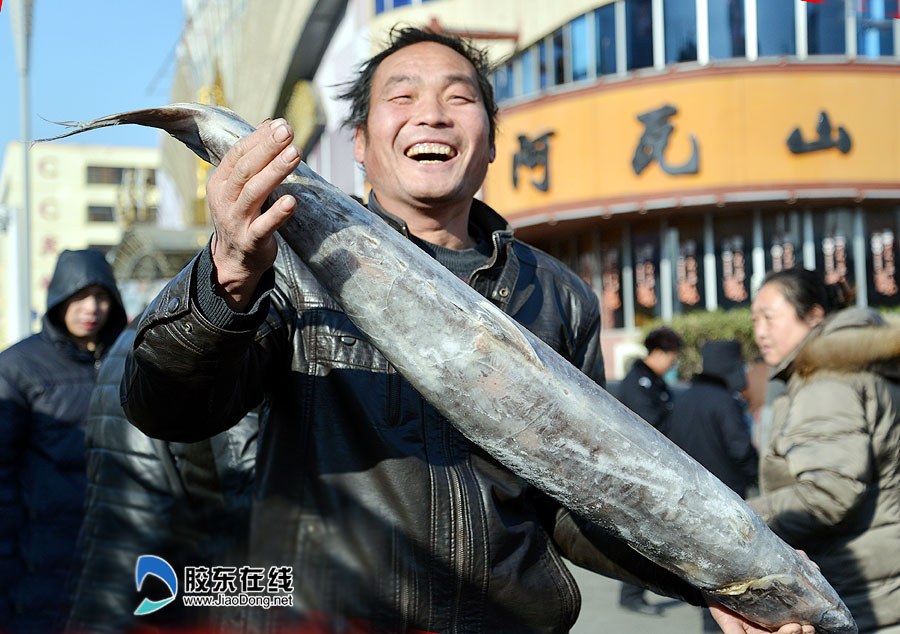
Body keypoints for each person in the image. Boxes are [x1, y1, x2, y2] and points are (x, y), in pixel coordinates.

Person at [121, 27, 812, 634]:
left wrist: (713, 582)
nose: (433, 114)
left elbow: (584, 496)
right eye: (404, 95)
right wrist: (227, 278)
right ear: (359, 144)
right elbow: (165, 405)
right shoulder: (288, 262)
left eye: (459, 97)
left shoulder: (558, 297)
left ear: (488, 144)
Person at [65, 323, 259, 634]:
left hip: (115, 557)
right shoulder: (221, 343)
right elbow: (245, 489)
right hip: (174, 566)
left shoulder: (129, 336)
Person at [749, 268, 900, 634]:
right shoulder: (861, 365)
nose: (760, 331)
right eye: (754, 320)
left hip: (863, 593)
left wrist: (743, 518)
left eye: (769, 317)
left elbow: (830, 494)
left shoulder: (826, 378)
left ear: (814, 315)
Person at [0, 249, 127, 634]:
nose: (91, 307)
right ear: (58, 297)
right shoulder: (18, 367)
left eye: (102, 296)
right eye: (79, 295)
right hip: (41, 554)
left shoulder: (130, 359)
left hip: (118, 547)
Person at [662, 339, 759, 632]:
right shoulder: (724, 401)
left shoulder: (685, 398)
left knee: (708, 580)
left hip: (691, 503)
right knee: (732, 582)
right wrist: (757, 475)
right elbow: (740, 449)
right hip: (727, 504)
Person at [614, 325, 683, 616]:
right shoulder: (637, 382)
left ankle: (635, 591)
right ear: (658, 353)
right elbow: (649, 426)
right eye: (673, 356)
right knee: (643, 533)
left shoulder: (654, 380)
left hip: (656, 469)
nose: (674, 363)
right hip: (640, 470)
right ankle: (631, 594)